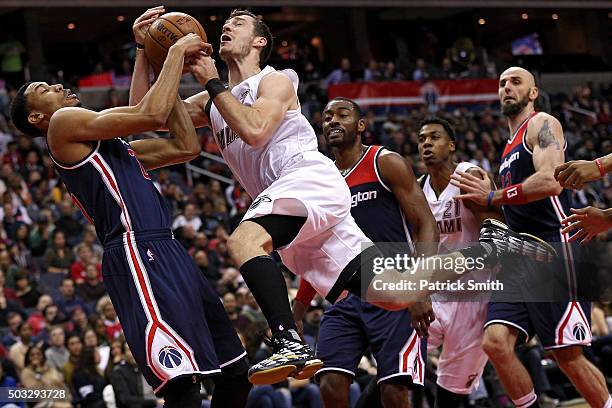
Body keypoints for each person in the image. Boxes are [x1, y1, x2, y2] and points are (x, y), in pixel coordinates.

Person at [131, 9, 556, 386]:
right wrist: (145, 52)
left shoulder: (274, 80)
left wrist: (208, 77)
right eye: (224, 23)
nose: (225, 26)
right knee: (398, 293)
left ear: (259, 41)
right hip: (290, 206)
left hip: (304, 180)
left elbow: (256, 130)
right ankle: (488, 252)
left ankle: (289, 342)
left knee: (243, 241)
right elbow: (139, 118)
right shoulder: (211, 100)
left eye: (237, 23)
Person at [9, 12, 251, 407]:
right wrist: (172, 50)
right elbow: (149, 114)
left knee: (236, 374)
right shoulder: (61, 126)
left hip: (168, 250)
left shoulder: (114, 148)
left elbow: (183, 146)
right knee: (183, 387)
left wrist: (146, 52)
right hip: (136, 251)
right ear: (38, 117)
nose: (57, 84)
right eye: (43, 88)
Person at [452, 66, 612, 408]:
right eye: (502, 83)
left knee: (566, 355)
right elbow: (514, 201)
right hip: (519, 257)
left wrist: (493, 197)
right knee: (495, 343)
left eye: (516, 82)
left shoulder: (542, 124)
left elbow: (550, 182)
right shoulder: (507, 147)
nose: (507, 87)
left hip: (556, 248)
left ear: (533, 92)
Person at [292, 97, 439, 408]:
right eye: (327, 116)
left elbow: (426, 224)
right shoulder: (322, 180)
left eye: (342, 115)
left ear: (360, 126)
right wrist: (298, 310)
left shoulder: (384, 162)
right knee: (330, 384)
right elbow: (320, 252)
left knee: (394, 393)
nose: (332, 121)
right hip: (347, 294)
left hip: (395, 287)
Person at [417, 117, 502, 407]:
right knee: (397, 366)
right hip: (434, 296)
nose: (426, 143)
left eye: (434, 137)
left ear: (451, 146)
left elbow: (496, 240)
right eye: (422, 139)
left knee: (451, 393)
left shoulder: (469, 176)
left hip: (473, 297)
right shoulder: (418, 189)